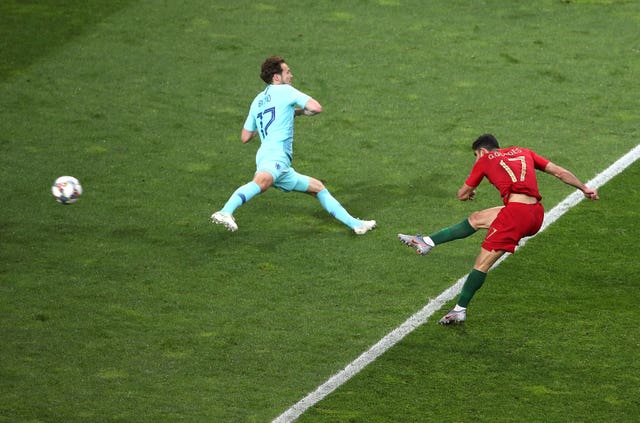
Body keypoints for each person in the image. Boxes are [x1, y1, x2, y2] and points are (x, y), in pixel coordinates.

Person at [398, 134, 599, 325]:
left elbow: (462, 194)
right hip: (535, 213)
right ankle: (427, 242)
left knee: (481, 264)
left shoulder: (485, 160)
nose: (477, 160)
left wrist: (470, 191)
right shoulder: (523, 151)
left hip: (515, 216)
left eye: (476, 156)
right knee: (477, 219)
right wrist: (585, 188)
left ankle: (459, 310)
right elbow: (559, 172)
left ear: (482, 151)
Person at [211, 56, 376, 234]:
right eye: (287, 72)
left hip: (270, 157)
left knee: (318, 188)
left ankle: (356, 225)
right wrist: (302, 112)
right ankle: (225, 211)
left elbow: (245, 136)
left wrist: (291, 113)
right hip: (276, 156)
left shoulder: (257, 100)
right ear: (276, 77)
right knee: (262, 182)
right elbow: (316, 107)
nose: (291, 76)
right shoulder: (286, 91)